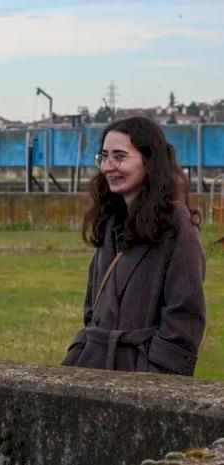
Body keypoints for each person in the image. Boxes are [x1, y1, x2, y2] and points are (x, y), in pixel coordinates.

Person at [62, 116, 205, 376]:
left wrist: (155, 376)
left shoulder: (176, 226)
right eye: (104, 156)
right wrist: (80, 350)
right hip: (93, 368)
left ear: (149, 161)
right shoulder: (110, 220)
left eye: (119, 156)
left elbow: (184, 316)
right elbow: (93, 307)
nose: (108, 166)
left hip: (140, 375)